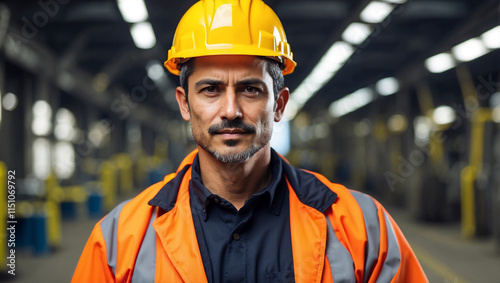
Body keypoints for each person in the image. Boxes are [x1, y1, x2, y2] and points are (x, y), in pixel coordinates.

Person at [72, 0, 428, 282]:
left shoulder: (363, 230)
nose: (230, 110)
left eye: (250, 89)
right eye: (210, 90)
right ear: (185, 103)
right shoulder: (119, 241)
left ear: (279, 104)